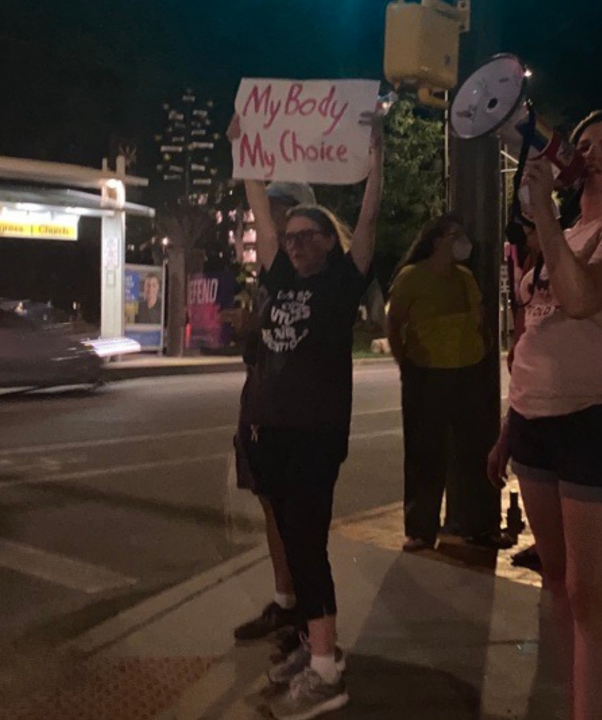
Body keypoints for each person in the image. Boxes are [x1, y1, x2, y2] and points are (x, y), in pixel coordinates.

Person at [488, 110, 602, 720]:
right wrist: (510, 430)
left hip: (598, 423)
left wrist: (542, 212)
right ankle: (579, 700)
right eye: (585, 143)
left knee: (591, 595)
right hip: (536, 427)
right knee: (559, 582)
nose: (592, 153)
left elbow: (583, 298)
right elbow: (535, 337)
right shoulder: (565, 233)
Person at [229, 110, 384, 719]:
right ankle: (318, 650)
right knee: (294, 545)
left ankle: (325, 672)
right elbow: (259, 216)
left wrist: (377, 159)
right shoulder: (278, 277)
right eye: (289, 237)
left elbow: (369, 217)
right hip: (273, 431)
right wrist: (246, 157)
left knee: (309, 547)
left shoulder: (341, 283)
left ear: (328, 240)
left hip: (315, 434)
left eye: (306, 235)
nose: (293, 242)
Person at [387, 214, 510, 551]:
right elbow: (394, 324)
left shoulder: (466, 277)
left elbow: (480, 320)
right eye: (456, 235)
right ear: (436, 240)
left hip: (467, 372)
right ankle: (420, 530)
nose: (463, 242)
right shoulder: (412, 277)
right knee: (425, 454)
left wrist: (482, 349)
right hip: (426, 375)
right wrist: (407, 365)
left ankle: (480, 525)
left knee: (475, 451)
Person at [231, 181, 318, 645]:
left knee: (297, 512)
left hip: (294, 410)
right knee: (269, 502)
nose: (270, 219)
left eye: (278, 210)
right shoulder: (272, 273)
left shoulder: (313, 274)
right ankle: (287, 601)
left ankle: (308, 617)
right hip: (261, 397)